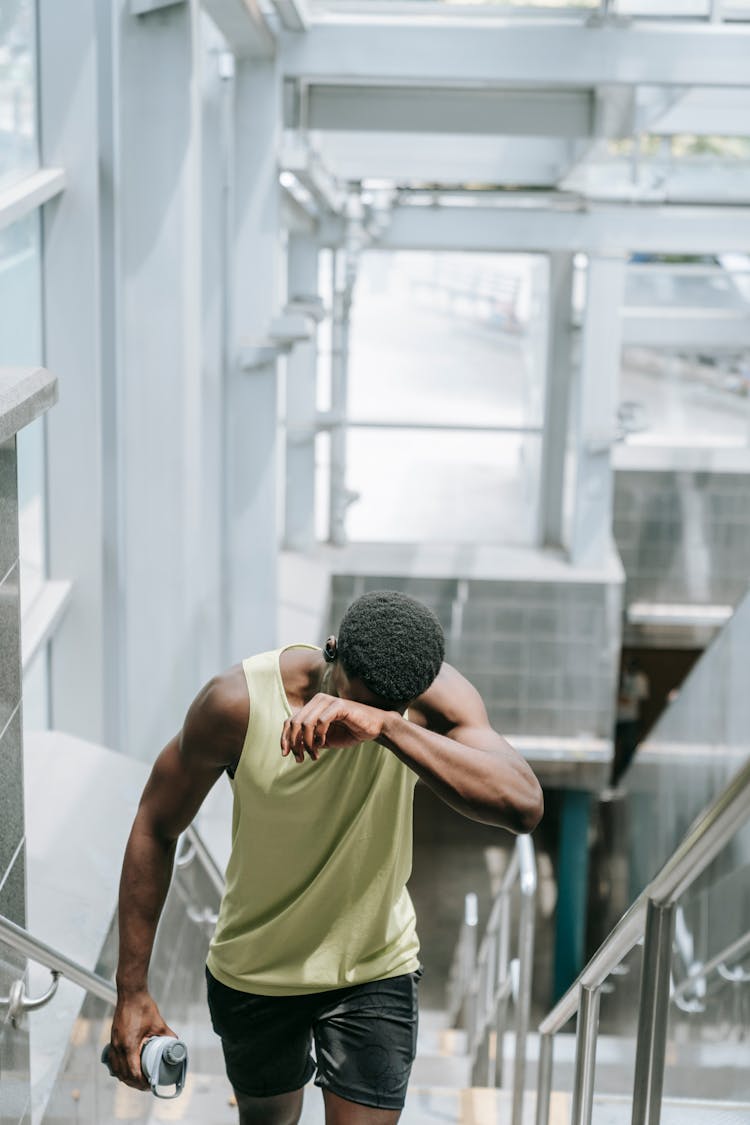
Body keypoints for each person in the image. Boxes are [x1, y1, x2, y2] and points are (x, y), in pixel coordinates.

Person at [109, 590, 543, 1125]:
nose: (354, 725)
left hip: (375, 966)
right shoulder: (236, 704)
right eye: (351, 697)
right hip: (256, 971)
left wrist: (387, 728)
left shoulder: (428, 696)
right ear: (331, 651)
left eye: (384, 710)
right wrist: (131, 989)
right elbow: (155, 824)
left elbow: (523, 804)